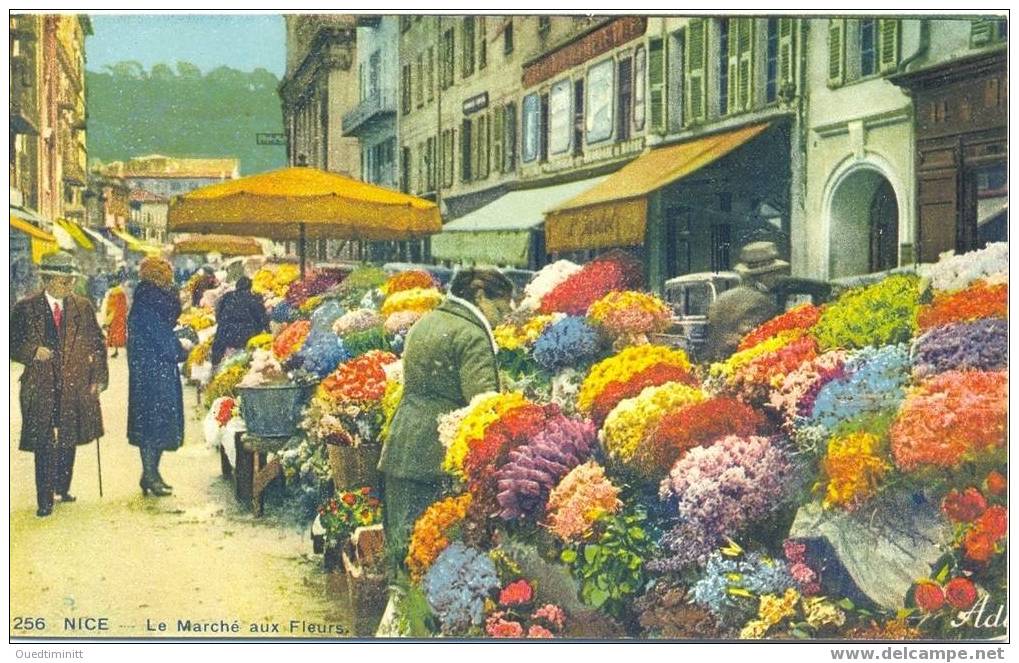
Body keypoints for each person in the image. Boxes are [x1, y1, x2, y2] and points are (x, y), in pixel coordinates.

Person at [378, 268, 515, 577]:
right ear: (480, 297)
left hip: (402, 443)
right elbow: (483, 405)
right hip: (436, 457)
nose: (501, 318)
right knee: (434, 556)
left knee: (403, 549)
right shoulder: (472, 334)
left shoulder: (426, 322)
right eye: (499, 308)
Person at [10, 251, 108, 517]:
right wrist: (32, 352)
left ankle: (62, 488)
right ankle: (45, 500)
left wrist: (99, 377)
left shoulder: (82, 307)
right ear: (48, 280)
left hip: (73, 382)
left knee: (68, 435)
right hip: (40, 384)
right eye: (64, 281)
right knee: (44, 440)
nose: (69, 286)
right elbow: (11, 344)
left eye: (71, 280)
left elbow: (98, 343)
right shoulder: (25, 308)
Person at [127, 255, 188, 497]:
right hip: (151, 373)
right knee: (152, 425)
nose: (169, 282)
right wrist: (180, 348)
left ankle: (151, 474)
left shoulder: (151, 301)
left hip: (155, 371)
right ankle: (150, 475)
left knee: (158, 423)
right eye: (165, 278)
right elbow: (161, 337)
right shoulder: (148, 304)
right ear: (156, 279)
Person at [704, 241, 790, 362]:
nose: (777, 277)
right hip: (743, 365)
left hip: (715, 365)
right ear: (766, 274)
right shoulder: (763, 303)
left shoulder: (722, 297)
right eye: (775, 272)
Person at [210, 276, 270, 366]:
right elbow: (262, 318)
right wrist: (267, 331)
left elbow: (218, 314)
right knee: (245, 358)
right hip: (244, 333)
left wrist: (224, 323)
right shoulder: (252, 298)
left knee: (217, 353)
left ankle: (214, 367)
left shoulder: (227, 296)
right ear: (250, 287)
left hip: (224, 332)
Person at [101, 282, 129, 358]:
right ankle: (119, 351)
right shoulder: (122, 293)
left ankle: (112, 351)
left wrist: (106, 320)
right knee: (120, 333)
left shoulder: (112, 294)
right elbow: (125, 305)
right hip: (121, 316)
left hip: (113, 316)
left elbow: (110, 307)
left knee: (111, 334)